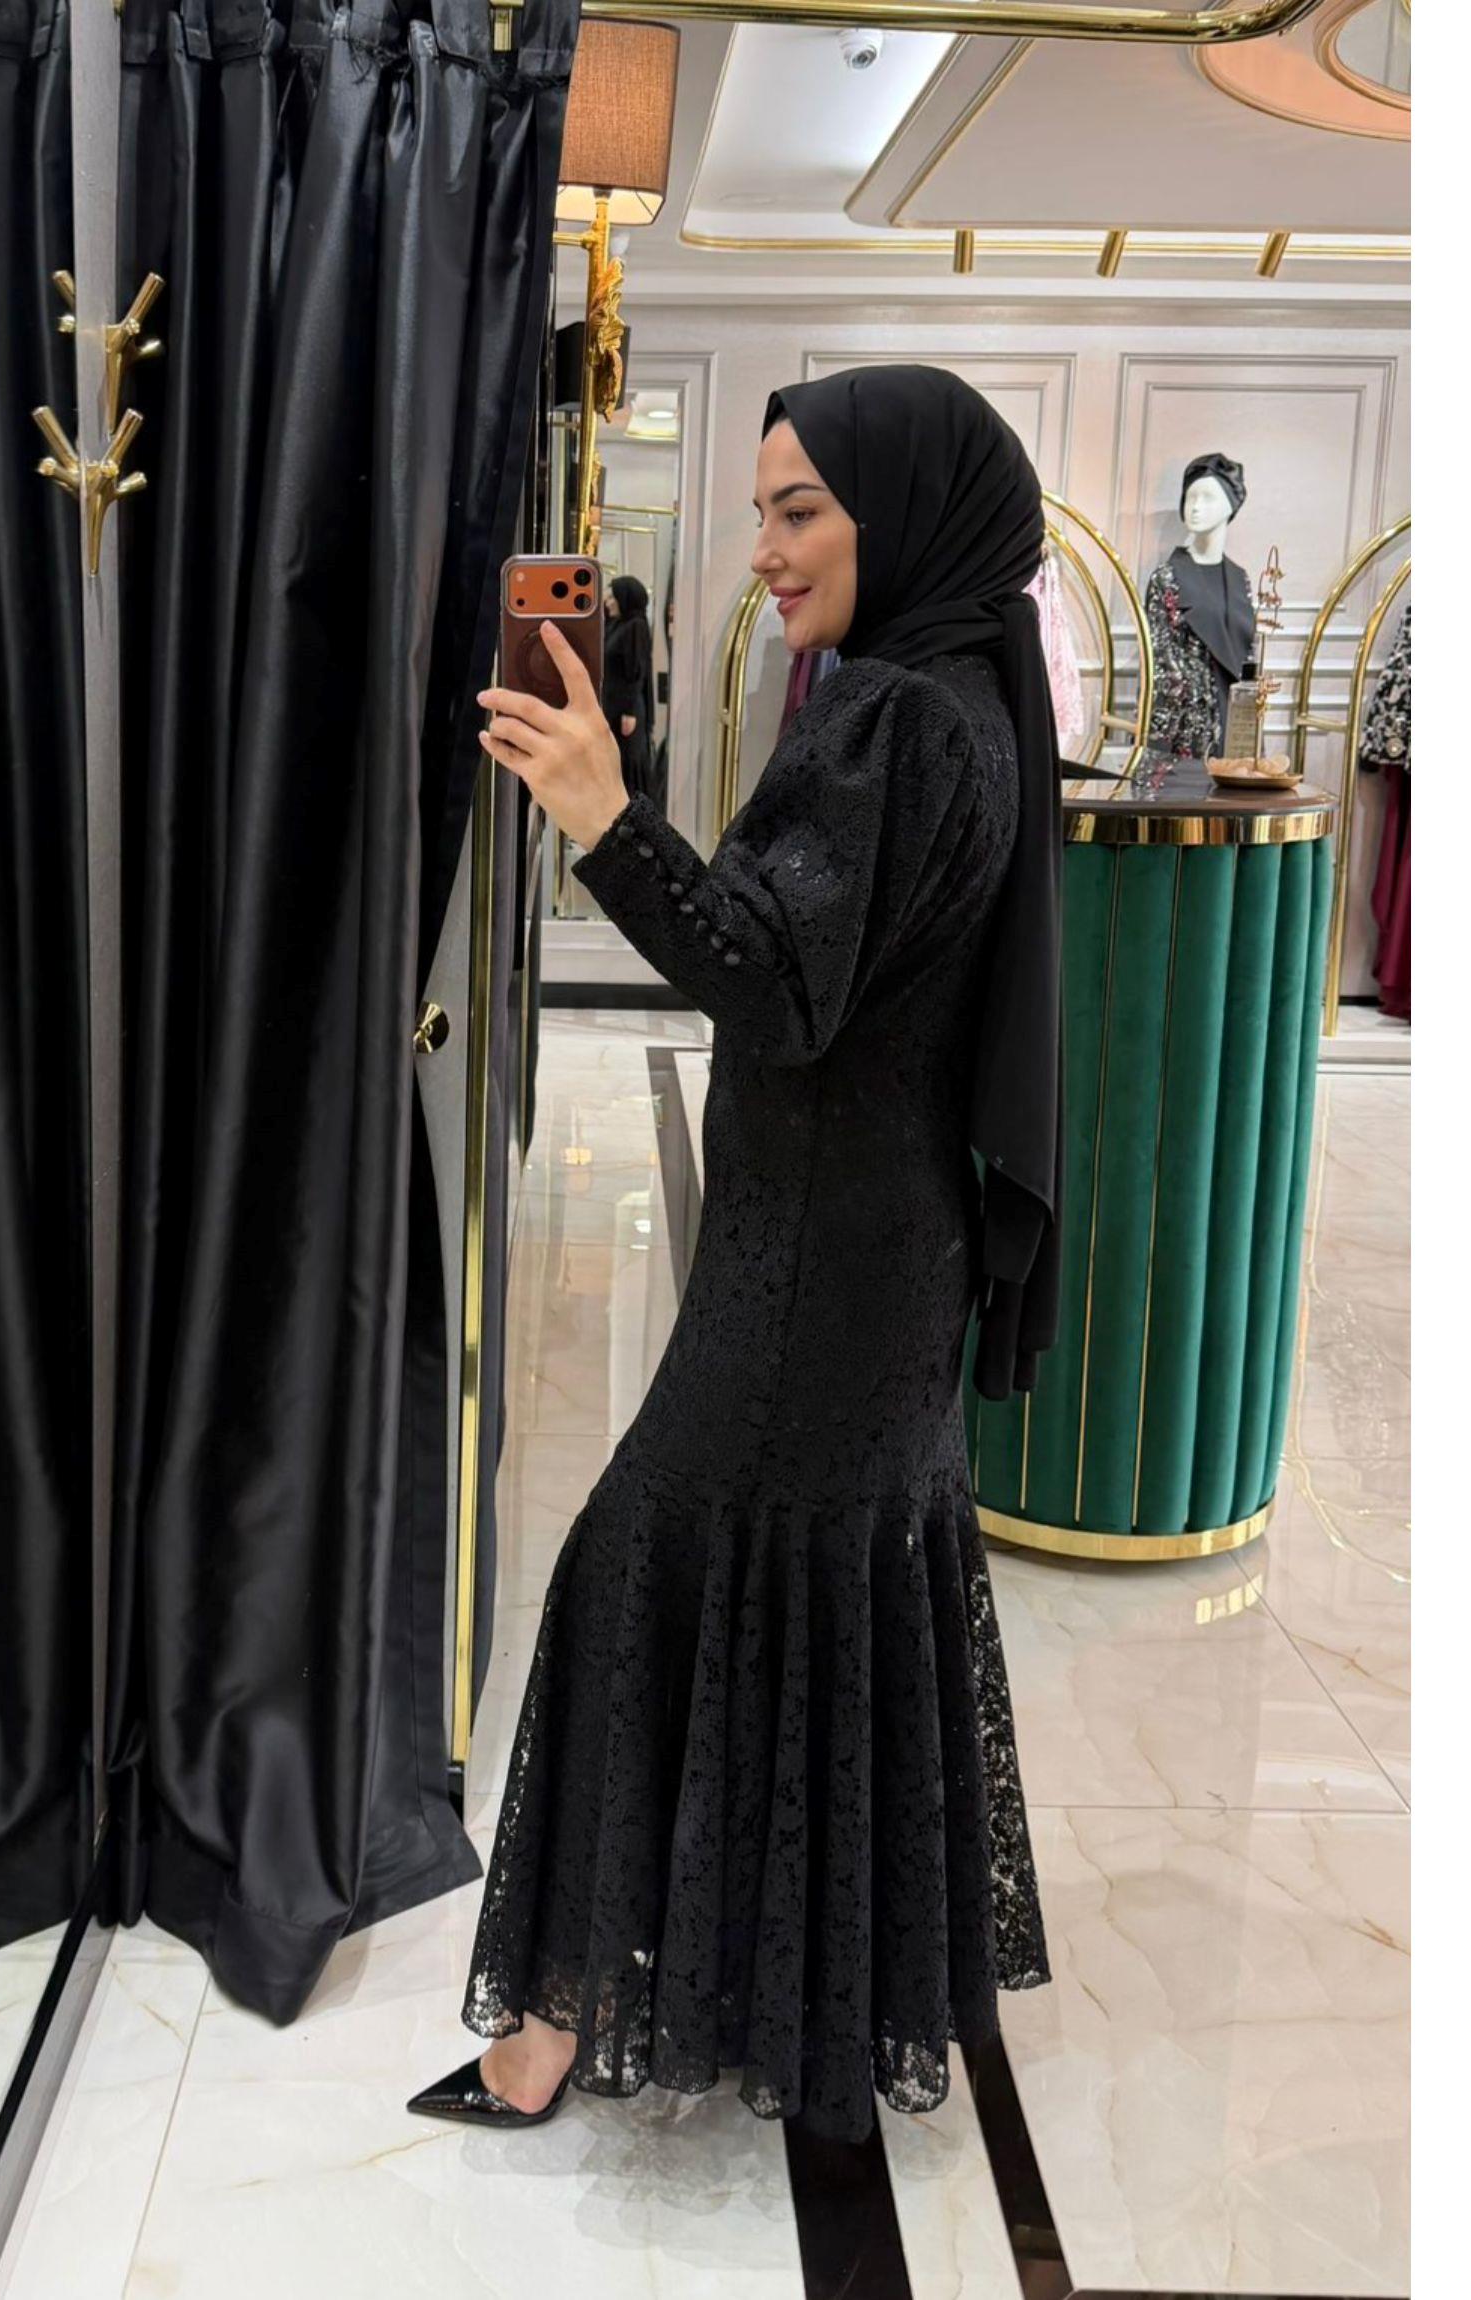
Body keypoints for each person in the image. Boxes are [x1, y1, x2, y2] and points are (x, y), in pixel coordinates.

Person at [408, 365, 1064, 2140]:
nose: (764, 549)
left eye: (800, 511)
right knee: (823, 1590)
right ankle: (798, 2003)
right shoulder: (956, 694)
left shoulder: (900, 719)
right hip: (878, 1247)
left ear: (898, 516)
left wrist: (606, 818)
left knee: (640, 1564)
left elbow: (772, 990)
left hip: (819, 1266)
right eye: (764, 510)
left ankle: (550, 2030)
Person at [600, 573, 655, 800]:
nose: (608, 602)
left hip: (626, 710)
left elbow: (636, 672)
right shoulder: (618, 625)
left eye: (613, 597)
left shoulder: (635, 627)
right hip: (615, 706)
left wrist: (630, 712)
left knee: (628, 765)